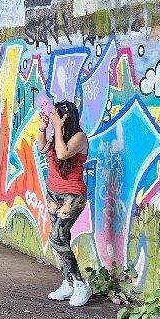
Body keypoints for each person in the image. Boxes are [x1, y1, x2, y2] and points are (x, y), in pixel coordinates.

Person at [40, 100, 90, 307]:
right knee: (62, 239)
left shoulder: (79, 138)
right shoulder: (55, 136)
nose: (51, 119)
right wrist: (43, 130)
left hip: (73, 196)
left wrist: (58, 128)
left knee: (56, 239)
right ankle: (68, 282)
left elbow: (62, 154)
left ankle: (80, 284)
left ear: (65, 118)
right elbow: (43, 148)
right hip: (54, 194)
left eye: (55, 116)